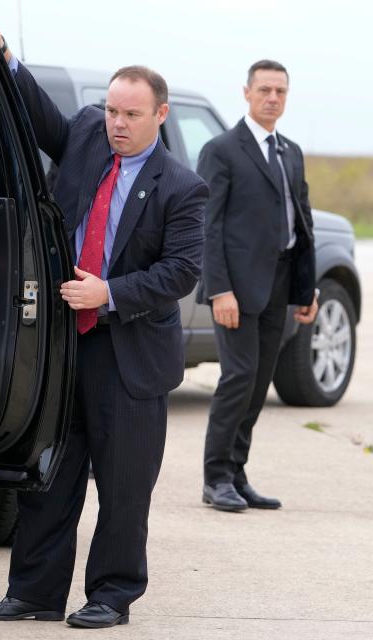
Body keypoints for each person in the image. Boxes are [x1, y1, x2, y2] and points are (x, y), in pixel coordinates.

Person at [0, 24, 208, 628]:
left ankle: (112, 594)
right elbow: (40, 115)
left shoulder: (182, 187)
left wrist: (111, 293)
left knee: (124, 487)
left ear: (159, 114)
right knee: (47, 473)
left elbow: (181, 272)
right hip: (63, 350)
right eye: (112, 111)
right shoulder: (86, 138)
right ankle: (35, 594)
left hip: (127, 355)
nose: (117, 124)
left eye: (131, 114)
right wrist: (4, 57)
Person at [197, 60, 317, 512]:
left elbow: (301, 221)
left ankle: (237, 472)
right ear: (246, 92)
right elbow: (209, 226)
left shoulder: (291, 151)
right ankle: (215, 478)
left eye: (280, 91)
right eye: (264, 89)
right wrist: (219, 289)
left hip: (280, 283)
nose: (273, 98)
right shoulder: (222, 149)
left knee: (259, 381)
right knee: (238, 378)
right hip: (237, 287)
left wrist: (308, 291)